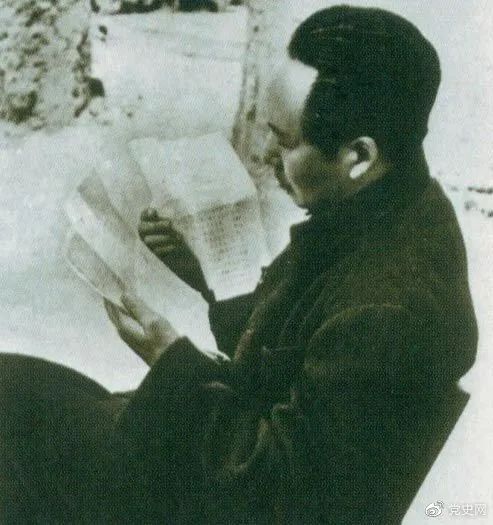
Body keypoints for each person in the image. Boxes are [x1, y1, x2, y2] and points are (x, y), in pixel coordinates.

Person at [0, 6, 477, 524]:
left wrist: (170, 360)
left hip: (216, 494)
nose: (266, 152)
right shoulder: (393, 209)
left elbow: (280, 493)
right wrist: (208, 280)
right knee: (13, 386)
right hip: (225, 447)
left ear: (358, 156)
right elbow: (294, 356)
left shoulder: (388, 309)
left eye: (286, 141)